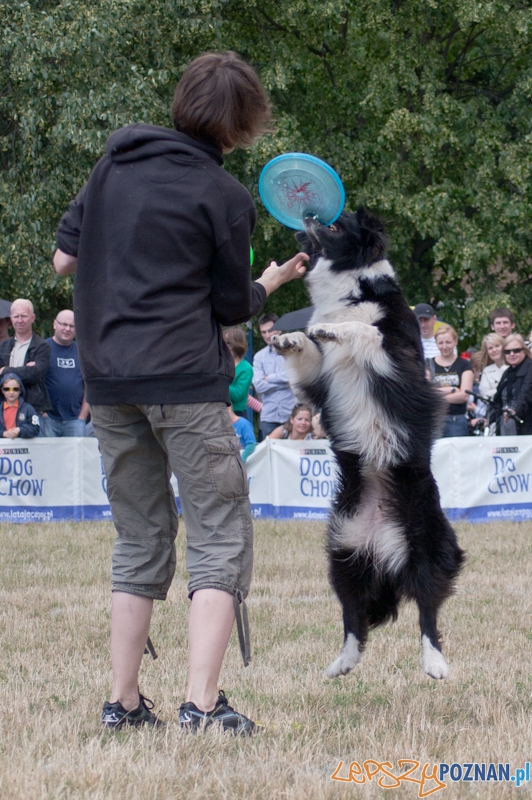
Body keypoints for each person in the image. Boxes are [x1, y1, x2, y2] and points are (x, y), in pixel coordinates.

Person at [53, 50, 308, 733]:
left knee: (139, 537)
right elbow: (230, 307)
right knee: (219, 535)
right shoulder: (223, 196)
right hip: (186, 384)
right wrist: (274, 283)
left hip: (109, 381)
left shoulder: (111, 166)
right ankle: (200, 705)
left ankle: (124, 702)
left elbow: (63, 257)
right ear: (241, 123)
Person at [0, 299, 52, 421]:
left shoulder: (42, 346)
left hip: (32, 409)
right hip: (4, 409)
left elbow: (35, 374)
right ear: (11, 318)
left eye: (24, 316)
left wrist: (5, 370)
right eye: (16, 316)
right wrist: (26, 369)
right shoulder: (3, 346)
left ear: (32, 318)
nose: (19, 320)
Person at [43, 310, 90, 437]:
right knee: (49, 457)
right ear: (54, 324)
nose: (67, 329)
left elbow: (90, 386)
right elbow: (35, 384)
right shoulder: (42, 349)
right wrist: (43, 414)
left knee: (75, 457)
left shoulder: (81, 352)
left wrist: (82, 417)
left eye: (72, 326)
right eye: (64, 324)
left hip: (75, 421)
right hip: (49, 419)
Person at [252, 313, 297, 438]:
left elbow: (293, 376)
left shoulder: (293, 352)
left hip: (291, 415)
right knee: (269, 455)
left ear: (279, 329)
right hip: (269, 416)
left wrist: (269, 378)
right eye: (263, 332)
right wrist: (285, 382)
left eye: (270, 330)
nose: (267, 335)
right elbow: (259, 386)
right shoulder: (259, 357)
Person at [427, 325, 473, 437]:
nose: (444, 346)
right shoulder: (428, 363)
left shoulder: (464, 364)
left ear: (455, 341)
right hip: (435, 420)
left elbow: (464, 396)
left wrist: (437, 397)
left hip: (457, 419)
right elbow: (427, 392)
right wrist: (452, 389)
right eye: (440, 343)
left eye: (448, 342)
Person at [490, 334, 532, 435]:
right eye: (507, 352)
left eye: (516, 350)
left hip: (526, 425)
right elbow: (498, 400)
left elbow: (526, 393)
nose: (511, 354)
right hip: (506, 423)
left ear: (524, 350)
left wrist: (515, 411)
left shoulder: (530, 367)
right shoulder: (507, 372)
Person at [222, 327, 253, 417]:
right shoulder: (221, 363)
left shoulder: (246, 368)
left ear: (236, 345)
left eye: (227, 343)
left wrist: (219, 383)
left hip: (237, 413)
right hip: (220, 410)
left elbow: (237, 395)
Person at [0, 372, 40, 439]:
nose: (11, 392)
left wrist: (20, 430)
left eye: (15, 389)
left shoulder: (28, 409)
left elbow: (35, 429)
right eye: (7, 389)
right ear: (2, 390)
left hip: (23, 448)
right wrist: (4, 433)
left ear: (20, 390)